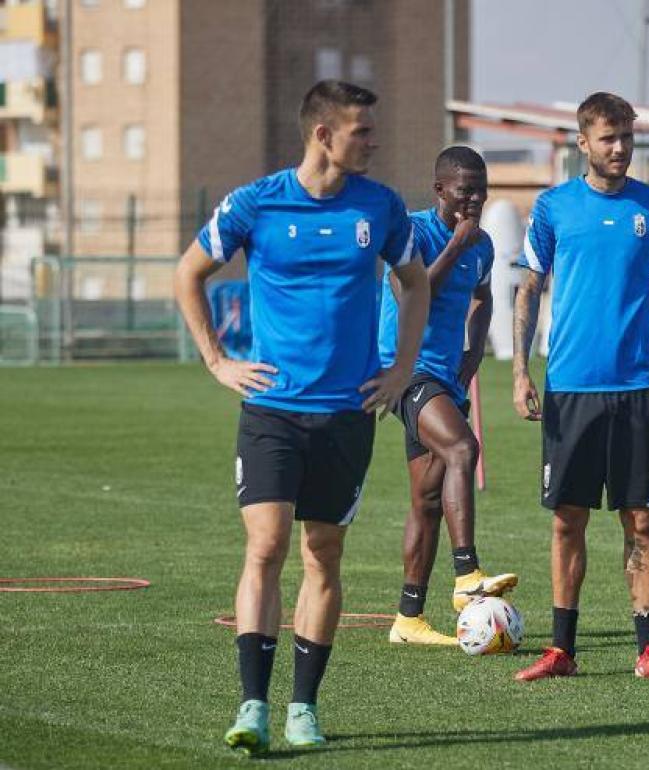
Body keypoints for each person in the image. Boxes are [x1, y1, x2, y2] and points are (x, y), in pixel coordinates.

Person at [173, 80, 430, 754]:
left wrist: (402, 370)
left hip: (346, 415)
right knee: (265, 546)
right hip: (271, 411)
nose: (372, 141)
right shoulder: (255, 203)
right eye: (361, 131)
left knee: (324, 554)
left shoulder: (381, 208)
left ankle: (302, 708)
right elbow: (187, 273)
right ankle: (252, 703)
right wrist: (217, 361)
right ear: (323, 134)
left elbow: (416, 281)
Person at [510, 92, 649, 684]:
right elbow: (528, 289)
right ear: (583, 143)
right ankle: (561, 649)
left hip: (638, 383)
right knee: (568, 520)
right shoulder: (553, 207)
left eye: (626, 138)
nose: (620, 148)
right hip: (570, 386)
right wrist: (519, 370)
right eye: (608, 138)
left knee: (640, 520)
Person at [379, 146, 518, 646]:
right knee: (463, 448)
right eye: (465, 191)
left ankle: (407, 620)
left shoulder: (480, 245)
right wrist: (456, 245)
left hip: (446, 375)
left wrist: (476, 348)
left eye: (482, 189)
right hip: (404, 371)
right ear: (440, 190)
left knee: (427, 500)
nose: (475, 199)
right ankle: (466, 578)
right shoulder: (413, 232)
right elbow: (410, 293)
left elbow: (484, 297)